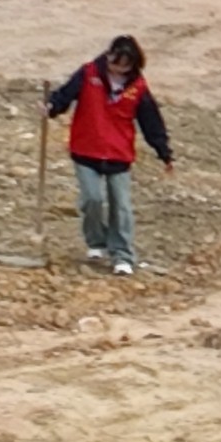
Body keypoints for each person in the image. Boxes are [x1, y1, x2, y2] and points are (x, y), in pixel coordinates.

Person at [44, 39, 173, 273]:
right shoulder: (88, 73)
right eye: (115, 63)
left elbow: (151, 121)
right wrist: (51, 106)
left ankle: (122, 255)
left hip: (118, 153)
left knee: (121, 206)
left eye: (124, 66)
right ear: (109, 56)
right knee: (92, 199)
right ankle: (96, 241)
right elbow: (65, 95)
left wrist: (163, 151)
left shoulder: (138, 88)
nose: (118, 70)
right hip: (85, 149)